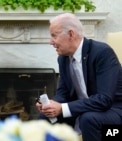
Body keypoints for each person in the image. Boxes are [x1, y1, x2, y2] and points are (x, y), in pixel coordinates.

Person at [36, 13, 122, 141]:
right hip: (83, 110)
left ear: (71, 34)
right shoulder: (63, 59)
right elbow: (63, 93)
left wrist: (63, 108)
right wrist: (51, 105)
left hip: (113, 109)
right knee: (44, 119)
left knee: (89, 118)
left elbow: (104, 99)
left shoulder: (102, 53)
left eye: (54, 35)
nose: (51, 42)